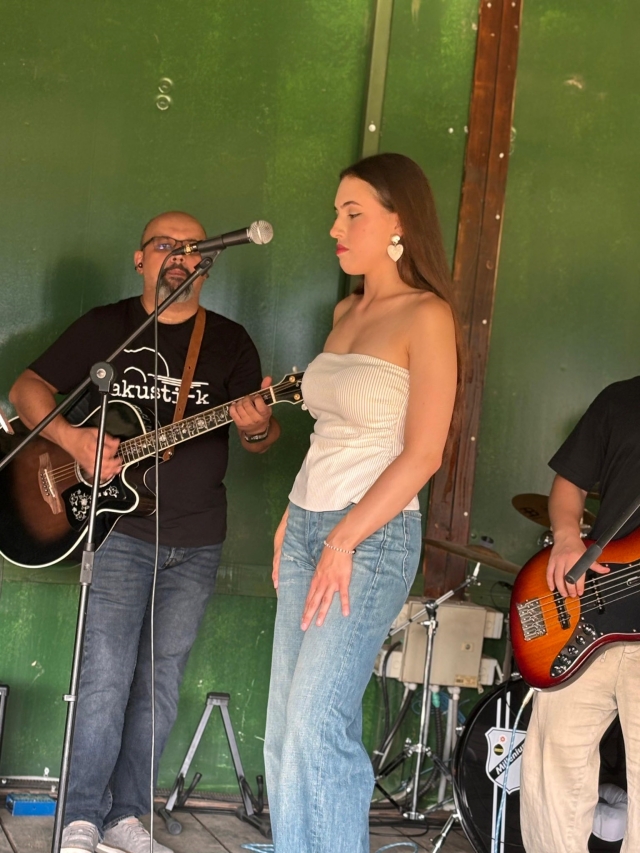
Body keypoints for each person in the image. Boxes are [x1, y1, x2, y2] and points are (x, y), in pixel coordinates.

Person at [9, 210, 280, 853]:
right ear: (141, 260)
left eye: (192, 248)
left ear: (205, 265)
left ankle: (127, 817)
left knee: (159, 684)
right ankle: (80, 818)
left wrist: (257, 426)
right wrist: (72, 438)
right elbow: (26, 388)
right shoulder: (107, 327)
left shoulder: (231, 343)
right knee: (104, 678)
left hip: (198, 538)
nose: (179, 256)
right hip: (119, 534)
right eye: (165, 245)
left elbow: (262, 439)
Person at [264, 153, 459, 853]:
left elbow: (424, 453)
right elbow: (330, 432)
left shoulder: (427, 315)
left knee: (317, 724)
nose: (335, 229)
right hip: (309, 524)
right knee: (284, 727)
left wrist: (344, 537)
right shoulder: (346, 312)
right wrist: (291, 517)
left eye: (353, 214)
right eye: (336, 214)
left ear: (399, 222)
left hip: (369, 537)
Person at [520, 376, 640, 852]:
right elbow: (569, 482)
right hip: (591, 612)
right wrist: (568, 537)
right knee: (551, 771)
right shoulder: (622, 398)